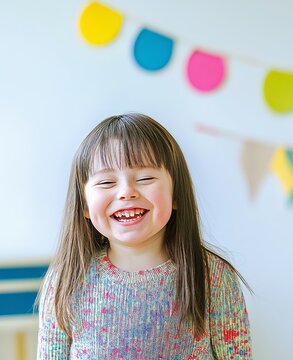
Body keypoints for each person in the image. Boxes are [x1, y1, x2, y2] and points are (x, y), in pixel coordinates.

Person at [37, 113, 252, 359]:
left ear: (176, 195)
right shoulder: (64, 281)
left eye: (145, 178)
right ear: (85, 205)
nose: (126, 192)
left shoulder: (213, 276)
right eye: (107, 182)